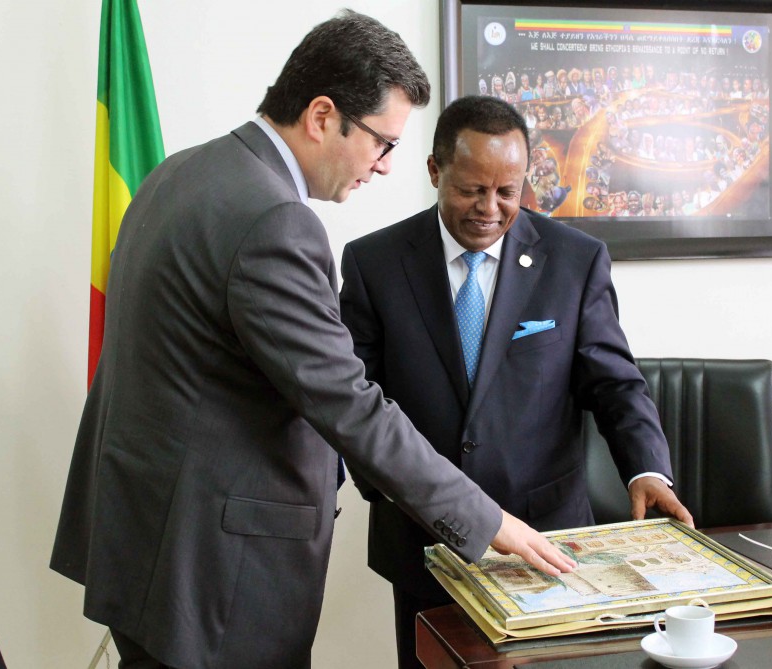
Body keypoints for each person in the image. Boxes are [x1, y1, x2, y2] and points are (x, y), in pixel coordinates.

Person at [49, 15, 575, 669]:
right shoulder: (275, 220)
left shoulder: (181, 172)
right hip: (214, 572)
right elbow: (349, 402)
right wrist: (486, 520)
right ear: (323, 116)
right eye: (383, 143)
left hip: (143, 540)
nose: (385, 167)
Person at [339, 96, 693, 669]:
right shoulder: (373, 262)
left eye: (508, 191)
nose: (490, 209)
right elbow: (352, 397)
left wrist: (645, 467)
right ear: (435, 170)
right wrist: (385, 488)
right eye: (471, 190)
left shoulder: (575, 260)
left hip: (547, 543)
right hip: (423, 541)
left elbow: (614, 382)